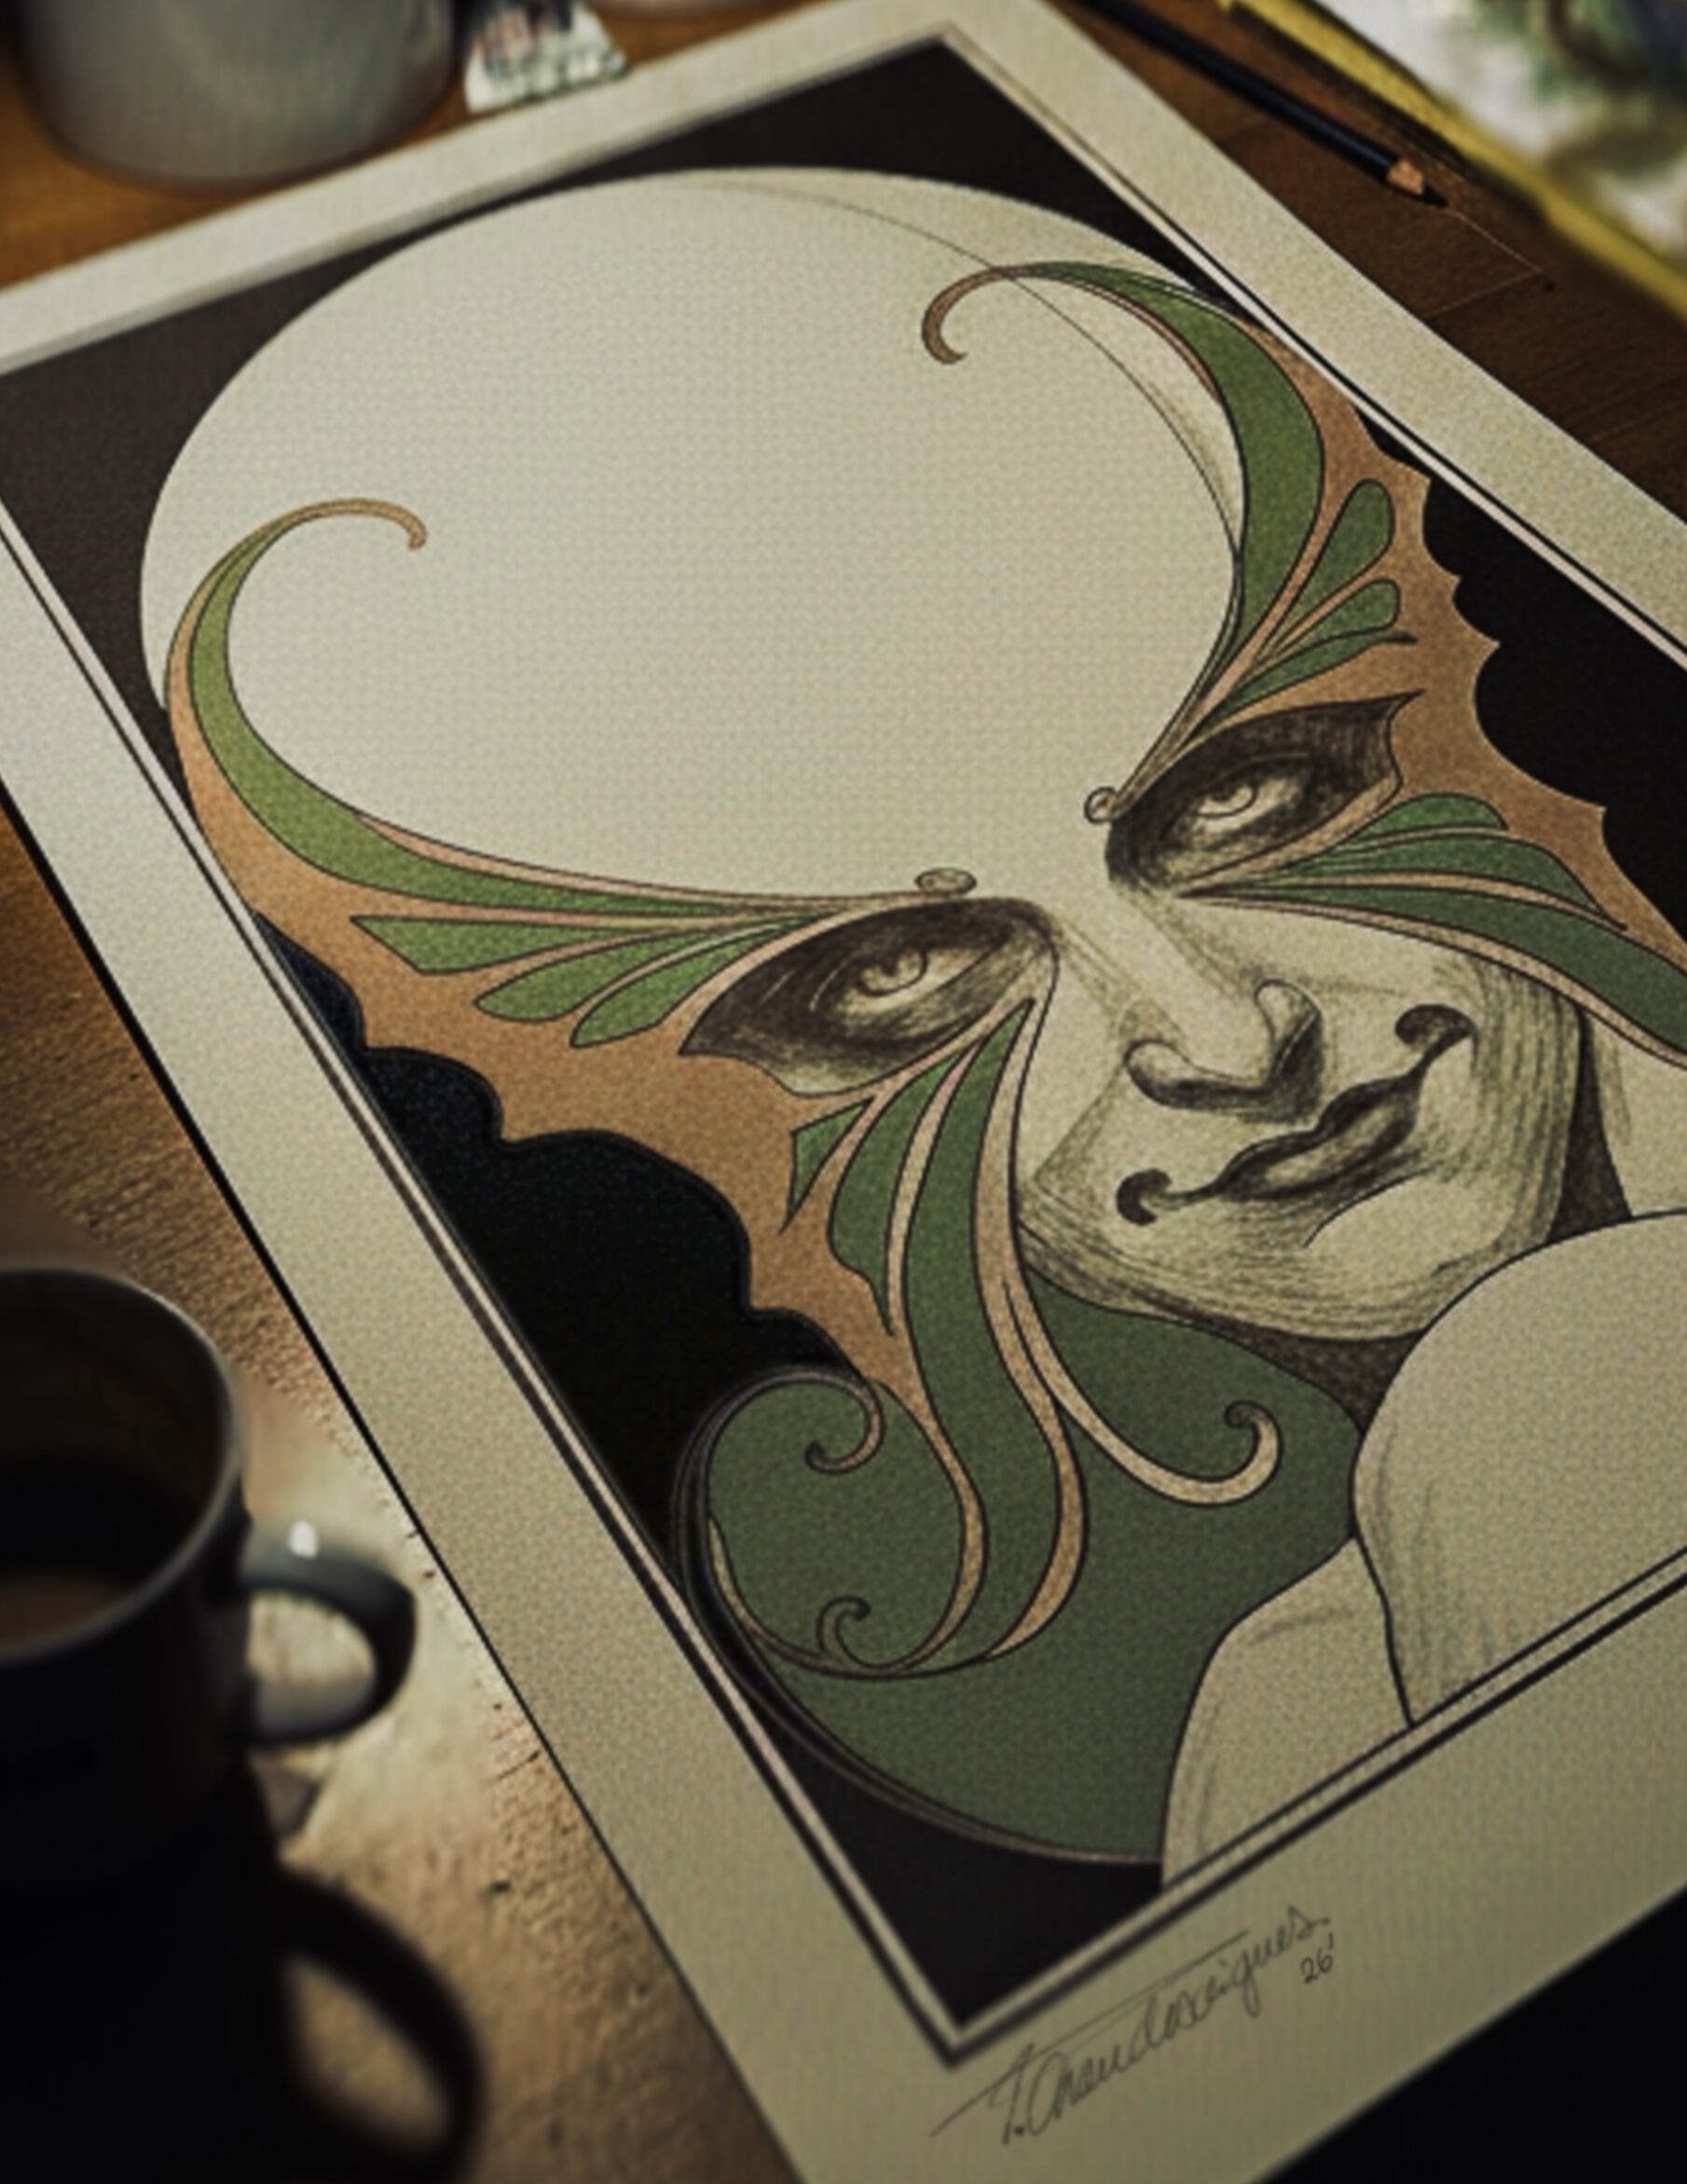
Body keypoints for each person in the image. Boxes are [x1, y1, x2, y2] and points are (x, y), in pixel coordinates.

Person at [148, 173, 1687, 1878]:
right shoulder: (1291, 1735)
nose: (1226, 1041)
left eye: (1240, 793)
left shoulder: (1524, 1416)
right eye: (900, 976)